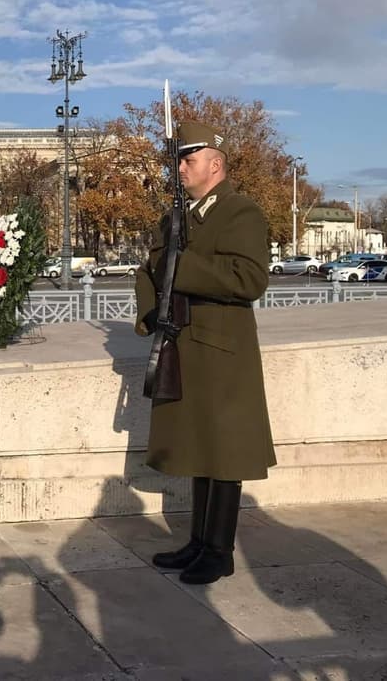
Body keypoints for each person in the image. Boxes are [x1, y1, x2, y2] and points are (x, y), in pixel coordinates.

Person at [134, 120, 276, 585]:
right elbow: (148, 267)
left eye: (188, 160)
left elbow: (248, 279)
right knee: (198, 450)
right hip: (183, 346)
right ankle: (198, 542)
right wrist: (152, 312)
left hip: (221, 354)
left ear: (215, 164)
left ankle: (219, 551)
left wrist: (180, 264)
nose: (180, 168)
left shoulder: (240, 213)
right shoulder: (178, 216)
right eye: (179, 160)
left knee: (225, 455)